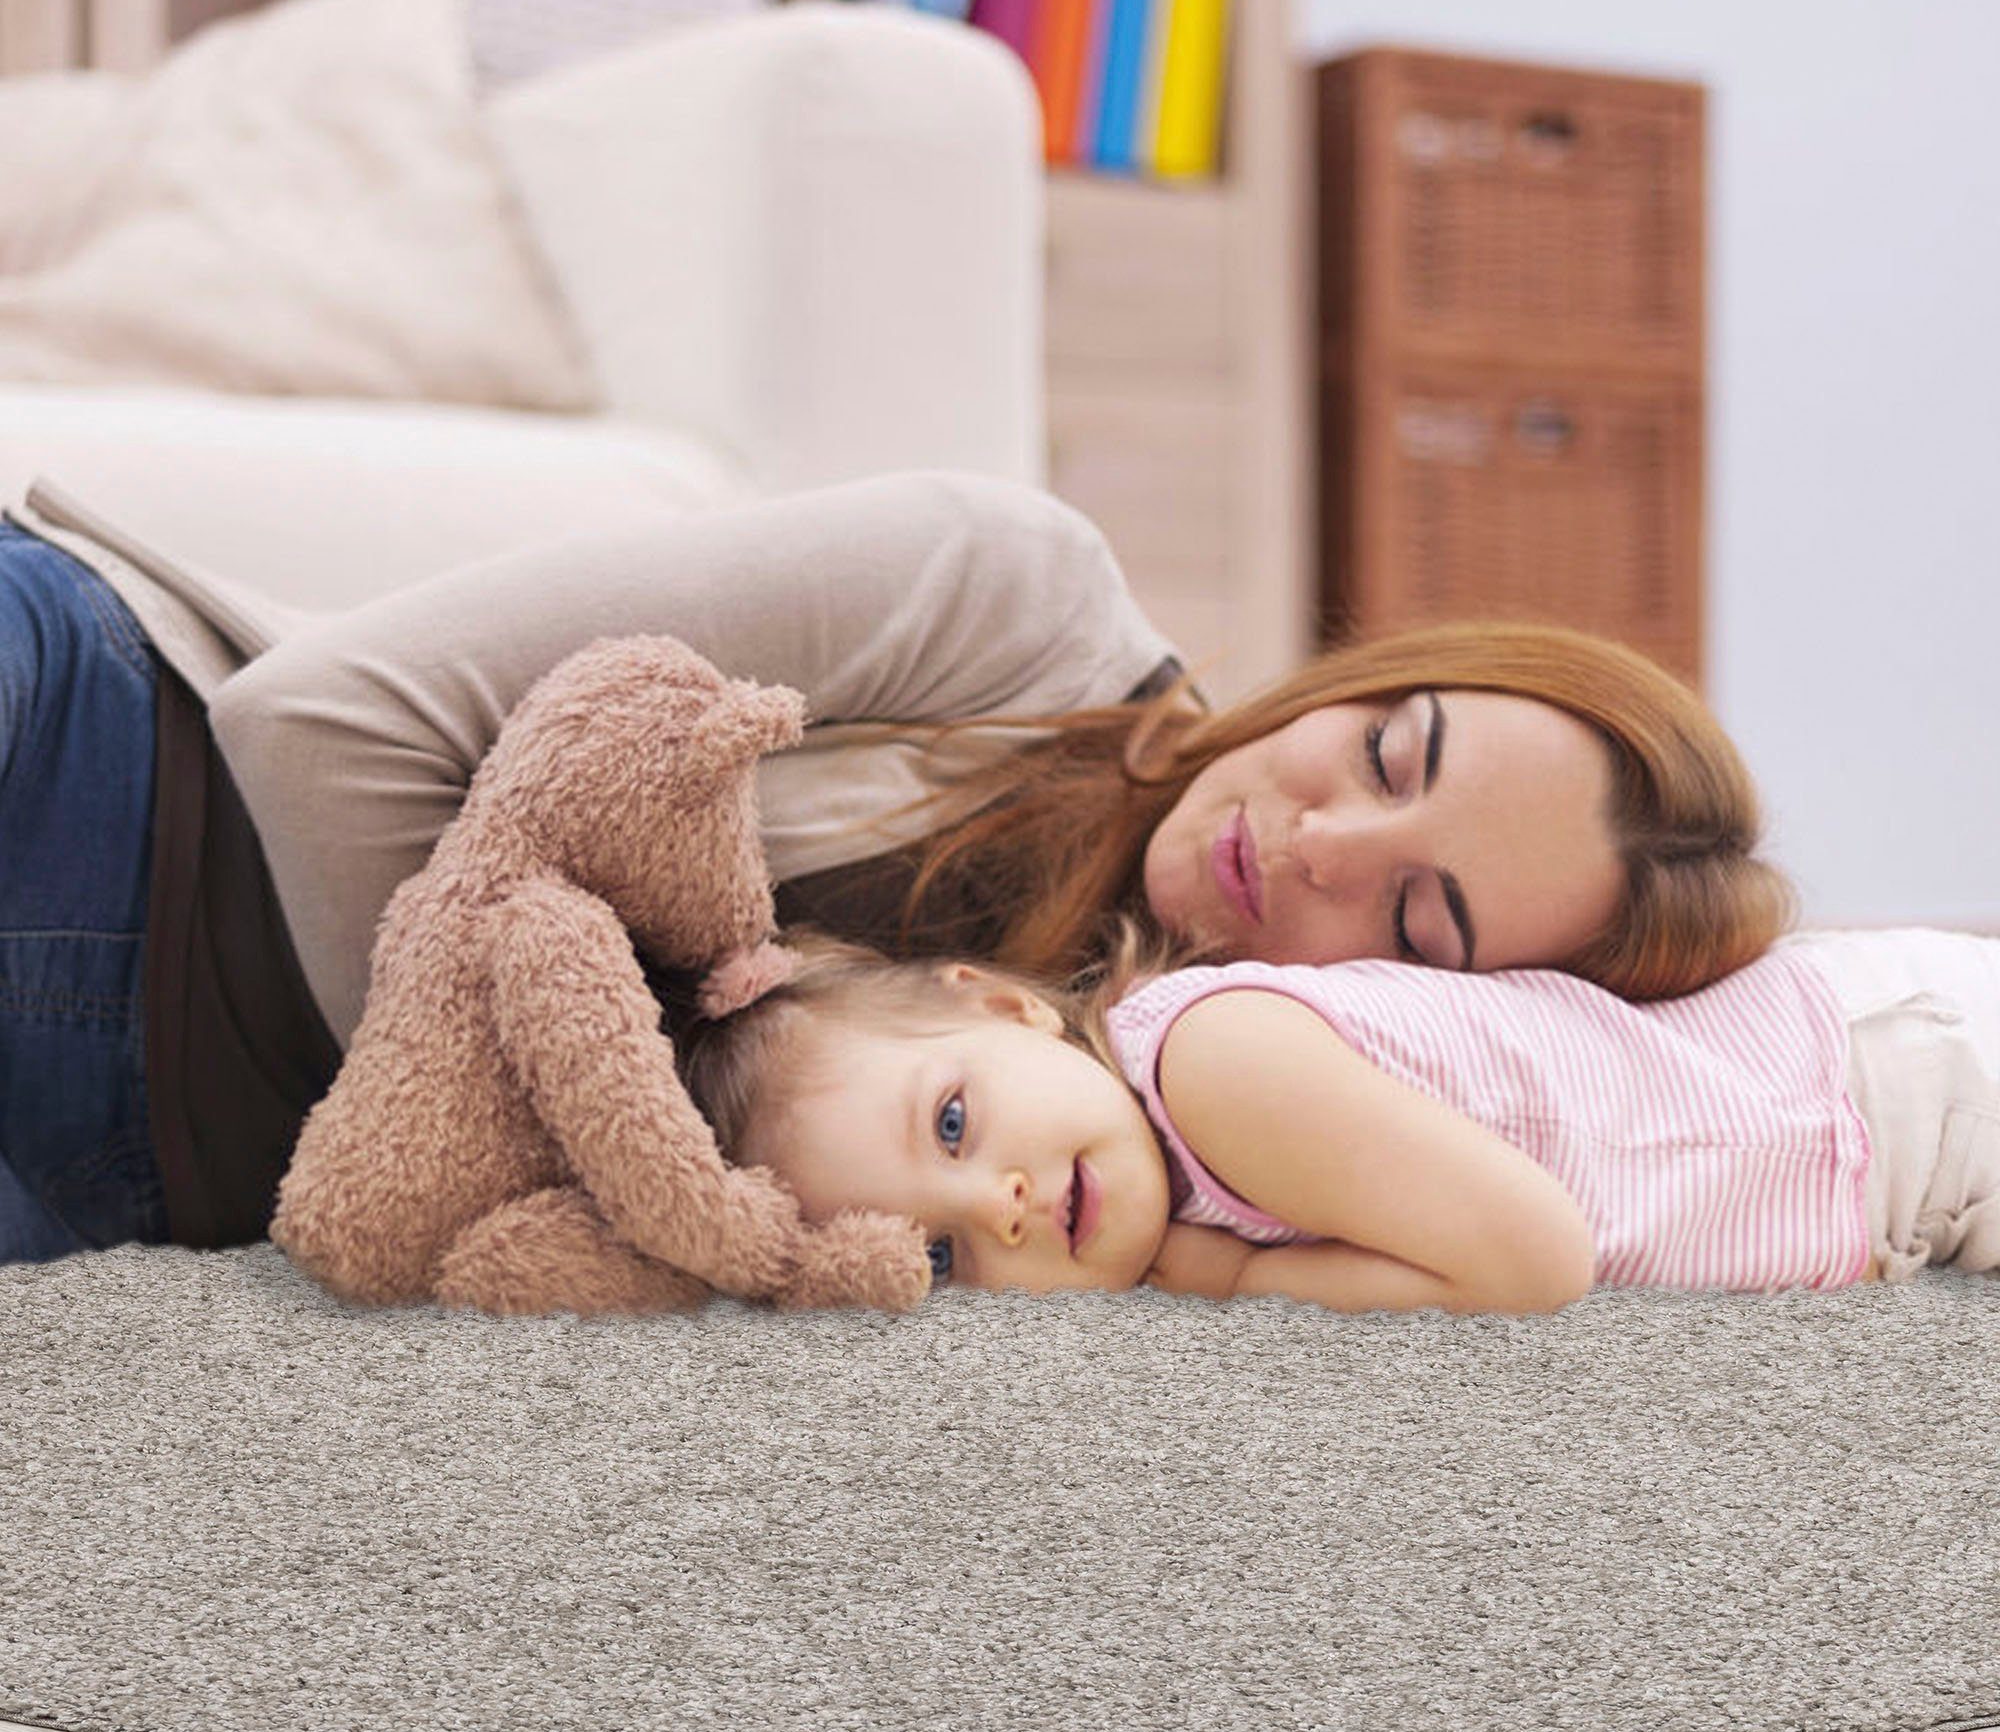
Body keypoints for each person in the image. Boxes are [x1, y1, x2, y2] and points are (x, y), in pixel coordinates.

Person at [3, 468, 1790, 1266]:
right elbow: (323, 735)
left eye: (1411, 917)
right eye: (1390, 750)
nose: (1310, 837)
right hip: (113, 781)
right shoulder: (1010, 593)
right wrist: (589, 1098)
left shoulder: (1130, 1141)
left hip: (137, 1176)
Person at [670, 923, 2000, 1314]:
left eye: (953, 1126)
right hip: (1882, 1170)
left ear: (1010, 1009)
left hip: (1897, 1090)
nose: (995, 1204)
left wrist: (1242, 1276)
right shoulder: (1167, 1145)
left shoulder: (1214, 1067)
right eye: (947, 1257)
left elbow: (1536, 1260)